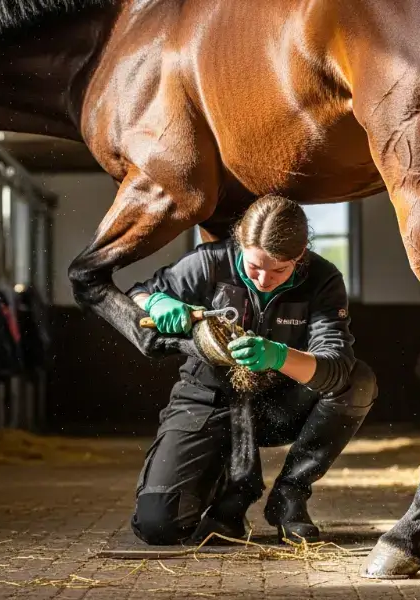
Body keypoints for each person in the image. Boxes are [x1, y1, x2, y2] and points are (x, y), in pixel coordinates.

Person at [126, 194, 378, 546]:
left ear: (300, 255)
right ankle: (230, 493)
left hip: (279, 404)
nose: (264, 279)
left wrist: (278, 356)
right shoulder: (208, 263)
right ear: (240, 243)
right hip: (207, 400)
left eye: (279, 270)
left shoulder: (323, 278)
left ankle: (290, 494)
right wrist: (157, 301)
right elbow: (137, 294)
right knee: (158, 525)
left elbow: (336, 367)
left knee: (358, 381)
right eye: (255, 266)